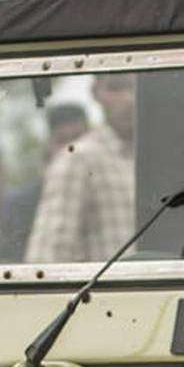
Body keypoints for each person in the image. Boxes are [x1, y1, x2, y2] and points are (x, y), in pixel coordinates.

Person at [26, 72, 138, 264]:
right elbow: (47, 258)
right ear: (96, 93)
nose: (129, 99)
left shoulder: (170, 155)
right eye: (116, 88)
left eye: (136, 88)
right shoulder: (79, 159)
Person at [0, 104, 90, 261]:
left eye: (78, 139)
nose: (73, 149)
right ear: (50, 146)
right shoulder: (21, 203)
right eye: (62, 140)